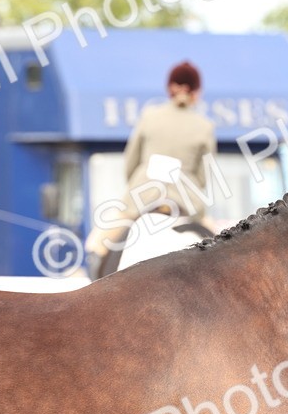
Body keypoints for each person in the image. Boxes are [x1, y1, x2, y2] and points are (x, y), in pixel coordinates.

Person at [84, 61, 217, 275]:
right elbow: (204, 177)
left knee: (96, 244)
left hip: (141, 199)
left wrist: (135, 185)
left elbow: (131, 162)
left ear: (169, 88)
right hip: (185, 203)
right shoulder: (205, 126)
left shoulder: (149, 116)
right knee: (222, 248)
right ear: (196, 91)